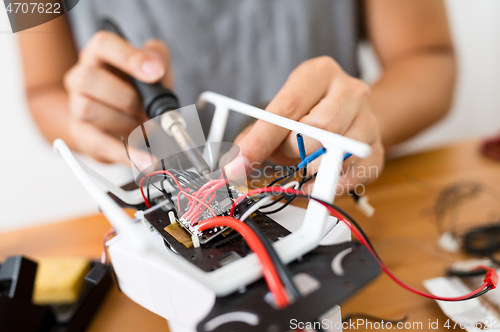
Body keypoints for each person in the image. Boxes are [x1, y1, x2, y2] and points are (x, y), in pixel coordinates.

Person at [19, 0, 455, 191]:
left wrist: (361, 124)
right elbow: (43, 91)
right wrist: (90, 120)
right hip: (172, 223)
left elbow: (429, 57)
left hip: (336, 198)